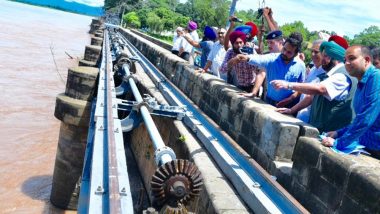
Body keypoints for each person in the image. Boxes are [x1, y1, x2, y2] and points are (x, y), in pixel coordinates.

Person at [271, 41, 358, 132]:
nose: (322, 59)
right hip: (320, 128)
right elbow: (311, 97)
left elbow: (320, 89)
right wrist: (291, 110)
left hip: (330, 133)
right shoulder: (330, 75)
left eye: (326, 56)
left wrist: (288, 85)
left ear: (335, 58)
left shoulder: (341, 76)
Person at [321, 45, 380, 159]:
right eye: (345, 60)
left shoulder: (376, 77)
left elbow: (366, 118)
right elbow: (359, 119)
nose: (346, 63)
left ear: (367, 60)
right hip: (367, 144)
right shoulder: (361, 82)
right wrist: (339, 133)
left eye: (352, 58)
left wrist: (339, 143)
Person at [233, 32, 305, 107]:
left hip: (289, 104)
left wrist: (290, 98)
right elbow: (259, 59)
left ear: (295, 54)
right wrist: (245, 57)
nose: (284, 53)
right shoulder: (272, 58)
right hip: (269, 101)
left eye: (289, 52)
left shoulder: (301, 65)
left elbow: (301, 86)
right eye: (284, 49)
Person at [276, 40, 325, 122]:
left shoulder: (325, 73)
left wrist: (292, 110)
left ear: (324, 54)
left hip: (312, 118)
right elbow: (304, 87)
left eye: (316, 52)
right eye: (312, 51)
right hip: (301, 113)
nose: (313, 54)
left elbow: (310, 97)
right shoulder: (313, 69)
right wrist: (291, 98)